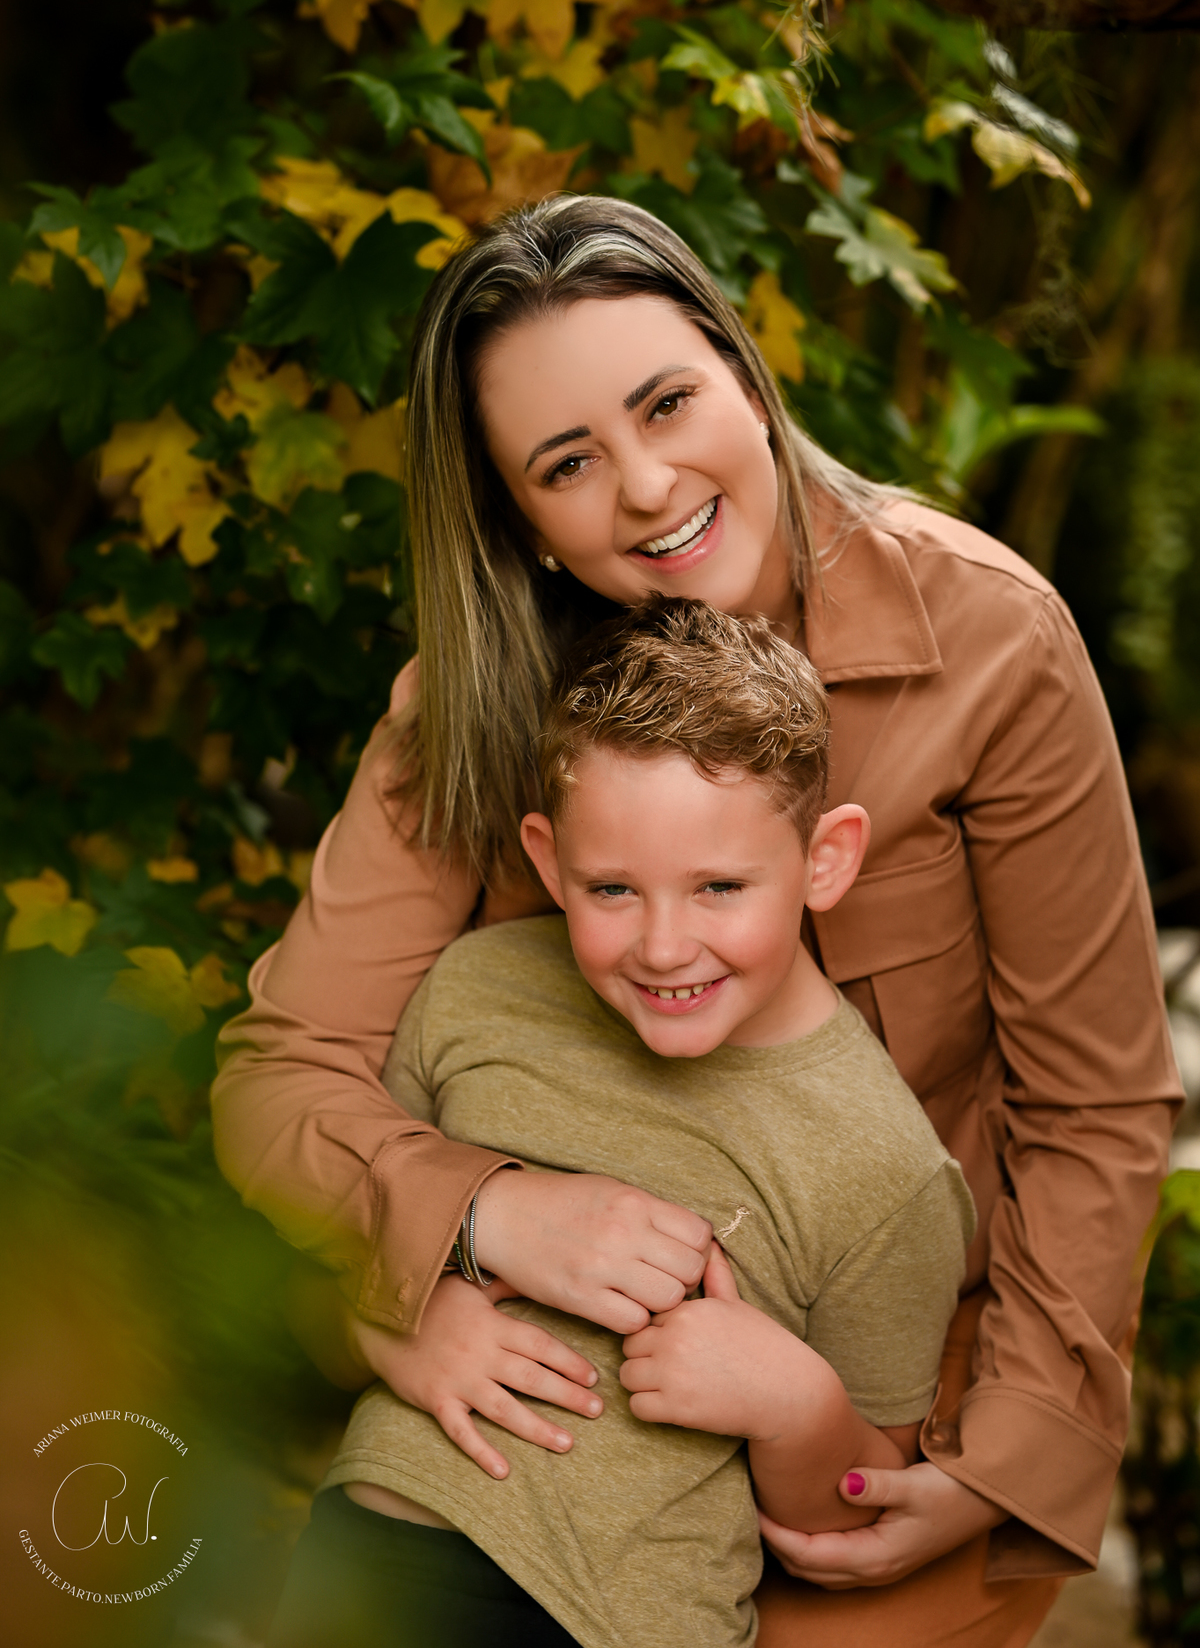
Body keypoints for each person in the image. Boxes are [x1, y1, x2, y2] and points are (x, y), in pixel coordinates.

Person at [213, 194, 1181, 1647]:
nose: (650, 485)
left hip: (898, 1426)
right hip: (559, 1435)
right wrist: (483, 1213)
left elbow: (1096, 1103)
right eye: (567, 463)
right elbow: (285, 1069)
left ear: (742, 367)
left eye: (667, 402)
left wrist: (1006, 1458)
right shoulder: (471, 709)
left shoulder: (991, 640)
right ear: (519, 518)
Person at [267, 598, 976, 1648]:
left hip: (624, 1623)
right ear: (547, 859)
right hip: (367, 1566)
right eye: (611, 888)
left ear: (825, 859)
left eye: (719, 886)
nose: (664, 945)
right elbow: (304, 1289)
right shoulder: (474, 996)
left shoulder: (886, 1165)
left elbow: (853, 1515)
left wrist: (794, 1405)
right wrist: (391, 1327)